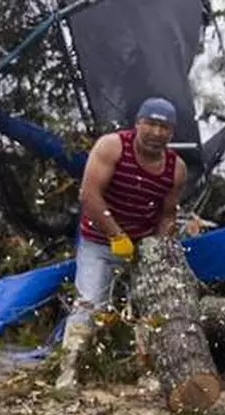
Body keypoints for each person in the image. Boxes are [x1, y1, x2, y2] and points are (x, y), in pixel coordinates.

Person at [55, 97, 186, 391]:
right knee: (89, 302)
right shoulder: (112, 146)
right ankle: (69, 369)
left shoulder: (175, 168)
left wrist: (160, 248)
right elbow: (88, 195)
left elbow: (167, 213)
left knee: (147, 309)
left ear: (171, 132)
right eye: (150, 124)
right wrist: (115, 235)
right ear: (138, 123)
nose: (155, 132)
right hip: (99, 241)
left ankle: (146, 371)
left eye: (163, 127)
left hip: (143, 244)